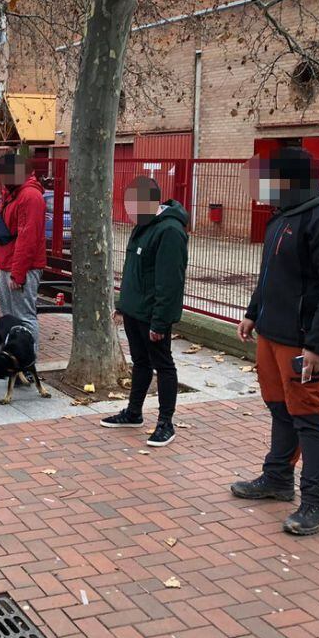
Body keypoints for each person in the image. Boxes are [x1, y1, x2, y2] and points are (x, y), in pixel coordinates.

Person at [231, 146, 319, 537]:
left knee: (309, 417)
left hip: (303, 343)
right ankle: (278, 479)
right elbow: (270, 275)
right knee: (279, 409)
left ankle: (318, 502)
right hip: (271, 333)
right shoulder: (282, 219)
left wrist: (318, 345)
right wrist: (253, 312)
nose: (261, 188)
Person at [101, 176, 189, 448]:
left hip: (153, 315)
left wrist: (160, 322)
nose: (127, 210)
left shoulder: (170, 231)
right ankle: (134, 412)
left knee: (163, 365)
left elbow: (169, 281)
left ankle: (165, 423)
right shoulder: (143, 225)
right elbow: (132, 271)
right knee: (140, 363)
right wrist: (123, 306)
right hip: (135, 311)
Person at [0, 153, 46, 345]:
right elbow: (5, 234)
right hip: (9, 264)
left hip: (22, 267)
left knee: (24, 317)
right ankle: (14, 358)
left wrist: (18, 273)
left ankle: (28, 363)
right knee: (9, 317)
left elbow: (28, 237)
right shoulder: (13, 194)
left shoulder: (30, 196)